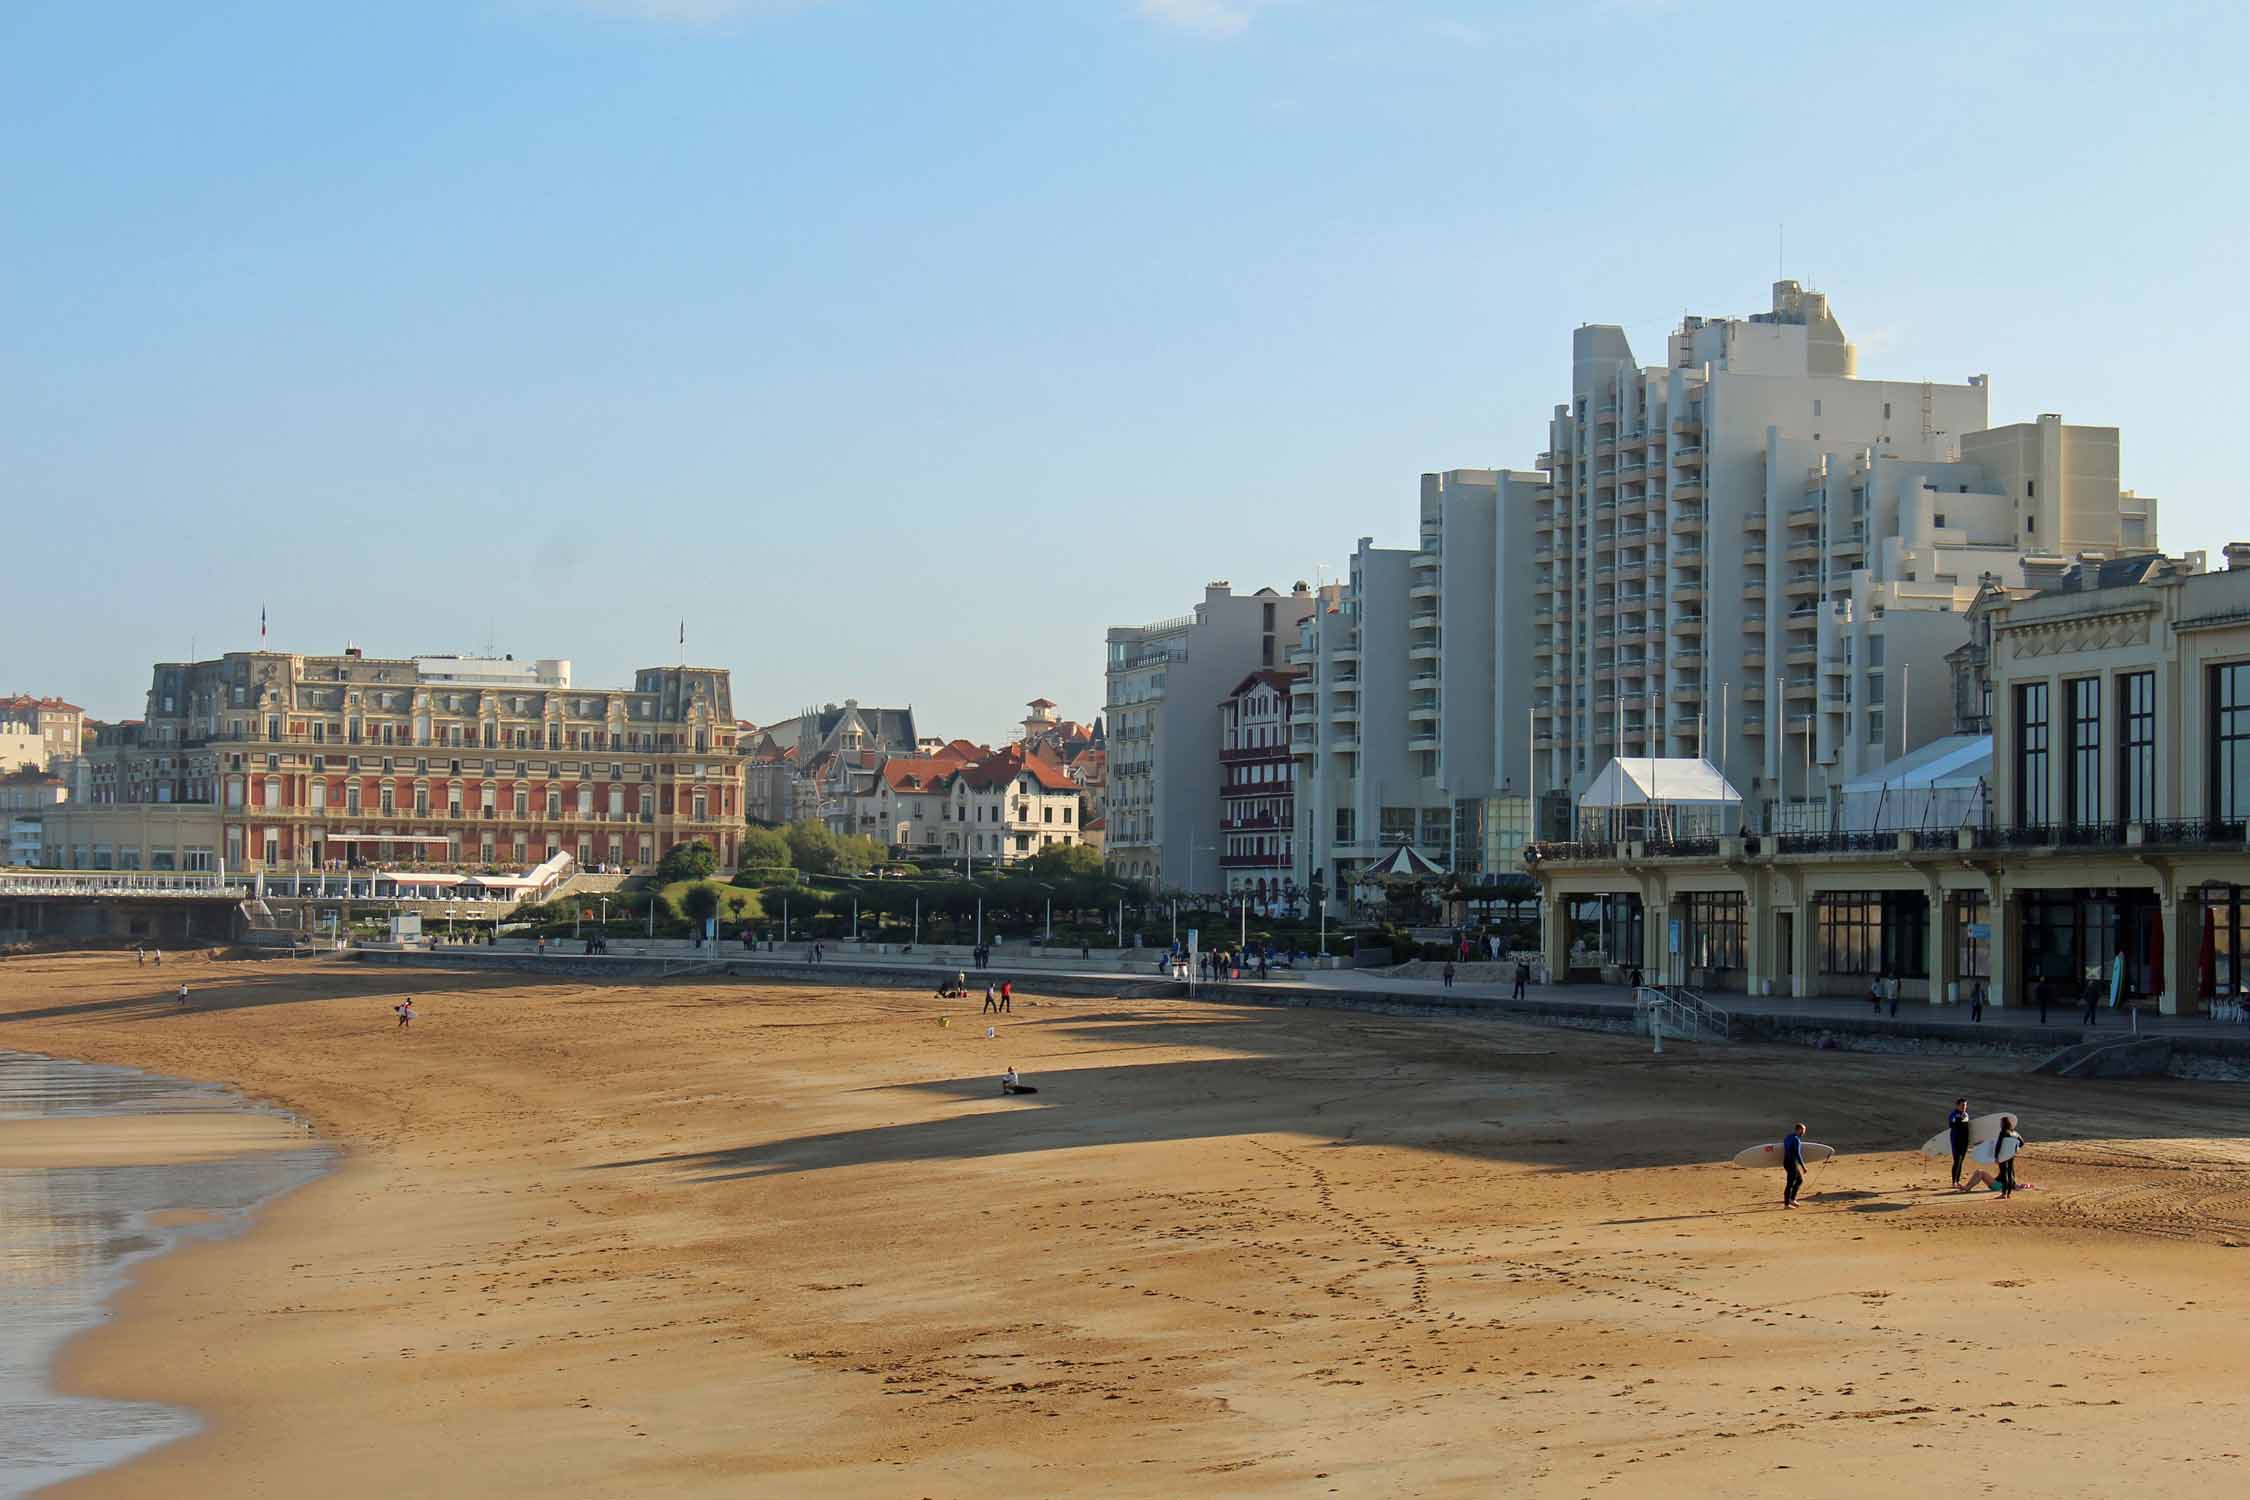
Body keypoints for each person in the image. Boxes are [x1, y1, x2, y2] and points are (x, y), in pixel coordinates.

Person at [1993, 1116, 2024, 1199]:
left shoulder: (2003, 1132)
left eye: (2001, 1123)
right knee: (2010, 1173)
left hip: (2003, 1155)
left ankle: (2003, 1194)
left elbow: (1998, 1145)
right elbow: (2022, 1142)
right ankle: (2009, 1193)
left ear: (2003, 1123)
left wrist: (1996, 1156)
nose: (2000, 1124)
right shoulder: (2014, 1132)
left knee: (2004, 1174)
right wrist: (2015, 1148)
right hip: (2011, 1155)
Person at [1946, 1097, 1973, 1188]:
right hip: (1956, 1141)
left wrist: (1970, 1141)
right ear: (1957, 1105)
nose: (1964, 1107)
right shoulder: (1953, 1114)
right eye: (1962, 1105)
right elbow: (1951, 1125)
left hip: (1964, 1141)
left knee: (1961, 1162)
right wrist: (1960, 1119)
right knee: (1957, 1161)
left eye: (1965, 1105)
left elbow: (1968, 1129)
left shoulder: (1966, 1115)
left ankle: (1957, 1181)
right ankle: (1954, 1182)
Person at [1782, 1122, 1808, 1209]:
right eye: (1803, 1130)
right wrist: (1803, 1167)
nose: (1804, 1132)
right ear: (1799, 1130)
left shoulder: (1787, 1137)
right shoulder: (1796, 1139)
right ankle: (1788, 1202)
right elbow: (1797, 1154)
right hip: (1792, 1162)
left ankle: (1791, 1200)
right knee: (1794, 1182)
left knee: (1796, 1181)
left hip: (1786, 1162)